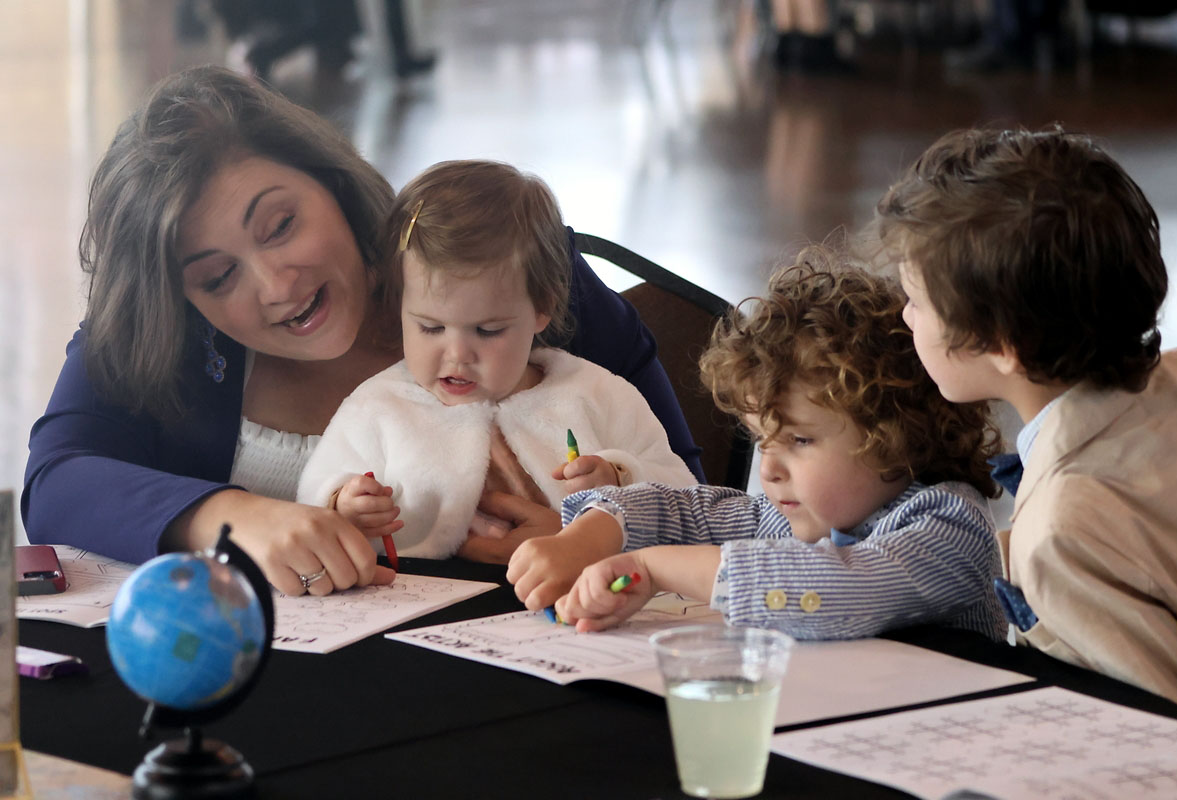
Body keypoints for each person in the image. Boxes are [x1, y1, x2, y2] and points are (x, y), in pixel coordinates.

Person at [21, 65, 702, 597]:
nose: (277, 284)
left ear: (333, 182)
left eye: (281, 225)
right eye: (218, 276)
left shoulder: (502, 268)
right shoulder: (162, 337)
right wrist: (237, 517)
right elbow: (56, 482)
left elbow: (701, 503)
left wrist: (589, 533)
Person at [508, 246, 1007, 642]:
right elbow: (689, 513)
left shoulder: (949, 528)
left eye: (800, 440)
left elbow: (835, 587)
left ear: (897, 436)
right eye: (763, 441)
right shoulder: (784, 516)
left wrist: (651, 566)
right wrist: (591, 535)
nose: (768, 470)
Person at [877, 126, 1177, 713]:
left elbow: (1165, 732)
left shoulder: (1062, 533)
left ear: (1003, 345)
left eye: (917, 301)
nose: (905, 317)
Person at [296, 160, 696, 558]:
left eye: (487, 331)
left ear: (541, 308)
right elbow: (314, 500)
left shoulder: (594, 392)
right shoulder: (379, 407)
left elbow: (687, 500)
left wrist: (620, 478)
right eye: (431, 327)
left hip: (584, 589)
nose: (457, 355)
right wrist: (344, 504)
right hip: (423, 594)